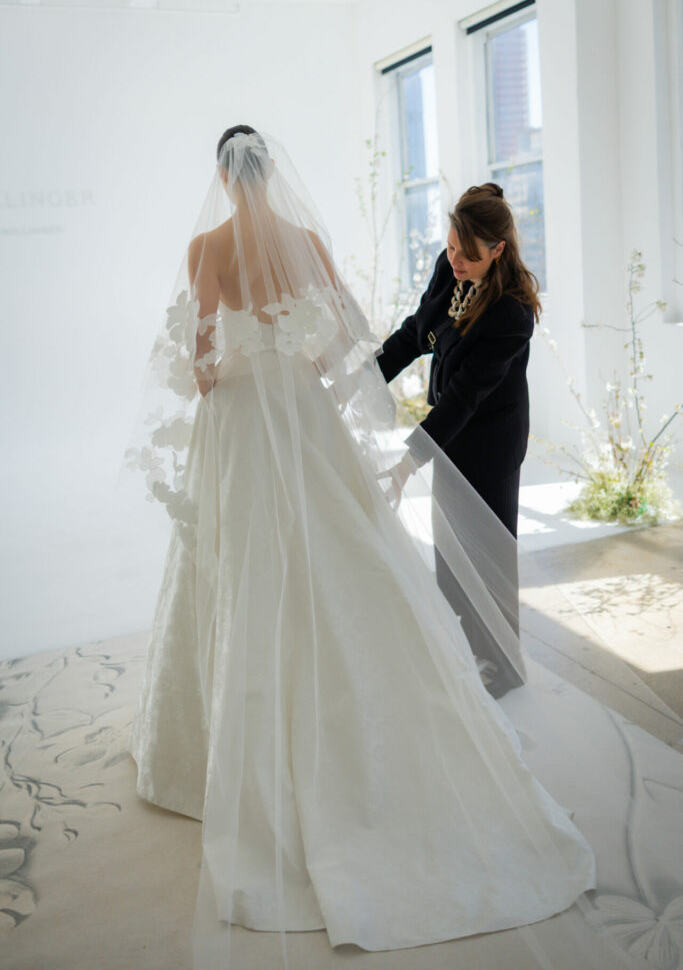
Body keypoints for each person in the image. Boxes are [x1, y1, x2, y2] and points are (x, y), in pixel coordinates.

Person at [124, 126, 683, 970]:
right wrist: (326, 379)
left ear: (219, 176)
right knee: (340, 549)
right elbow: (354, 332)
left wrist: (234, 371)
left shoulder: (208, 246)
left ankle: (481, 659)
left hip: (247, 420)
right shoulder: (306, 239)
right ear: (272, 172)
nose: (454, 258)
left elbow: (202, 357)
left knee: (237, 555)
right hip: (303, 416)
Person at [377, 186, 540, 698]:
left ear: (499, 250)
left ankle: (504, 666)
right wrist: (360, 380)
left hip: (489, 441)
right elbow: (416, 332)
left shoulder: (511, 315)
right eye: (450, 248)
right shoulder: (451, 267)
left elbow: (465, 398)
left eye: (468, 254)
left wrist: (406, 463)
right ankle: (466, 653)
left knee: (487, 554)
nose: (455, 260)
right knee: (450, 555)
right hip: (450, 433)